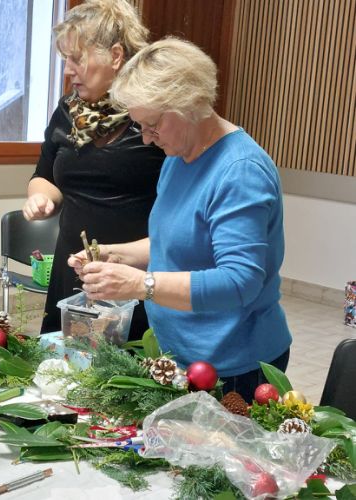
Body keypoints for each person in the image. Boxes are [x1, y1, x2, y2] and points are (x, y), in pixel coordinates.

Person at [69, 38, 292, 403]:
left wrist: (141, 284)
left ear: (189, 104)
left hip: (233, 366)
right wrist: (115, 255)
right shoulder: (177, 157)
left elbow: (239, 282)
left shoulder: (240, 171)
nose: (146, 138)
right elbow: (175, 241)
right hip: (182, 353)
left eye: (152, 124)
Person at [22, 0, 165, 339]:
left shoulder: (152, 117)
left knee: (127, 365)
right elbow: (44, 176)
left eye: (77, 58)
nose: (67, 71)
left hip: (134, 275)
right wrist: (41, 198)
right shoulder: (68, 111)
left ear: (116, 56)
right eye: (65, 59)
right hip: (72, 267)